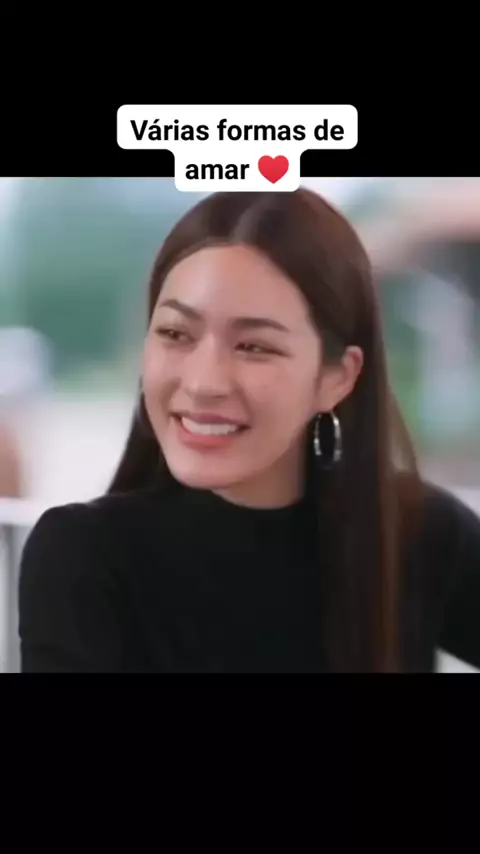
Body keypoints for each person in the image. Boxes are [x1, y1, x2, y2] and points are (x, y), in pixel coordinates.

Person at [17, 189, 480, 673]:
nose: (203, 383)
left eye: (254, 347)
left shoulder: (416, 533)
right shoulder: (83, 559)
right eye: (175, 333)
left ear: (336, 378)